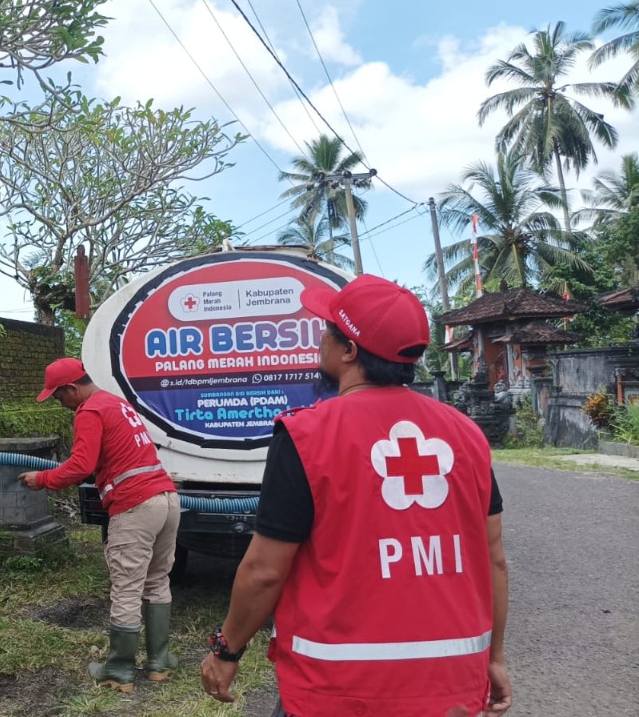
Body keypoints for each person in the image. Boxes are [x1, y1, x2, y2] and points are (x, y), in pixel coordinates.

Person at [200, 274, 512, 717]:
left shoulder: (307, 435)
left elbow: (266, 570)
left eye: (327, 329)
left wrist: (225, 650)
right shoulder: (466, 434)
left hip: (336, 689)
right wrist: (494, 659)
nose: (319, 339)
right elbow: (493, 558)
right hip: (452, 688)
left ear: (348, 351)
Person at [19, 358, 180, 693]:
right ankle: (158, 662)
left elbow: (81, 465)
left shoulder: (90, 411)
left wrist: (43, 479)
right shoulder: (116, 403)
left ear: (73, 389)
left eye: (58, 396)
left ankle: (119, 670)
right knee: (156, 579)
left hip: (135, 505)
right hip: (166, 499)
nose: (59, 403)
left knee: (126, 587)